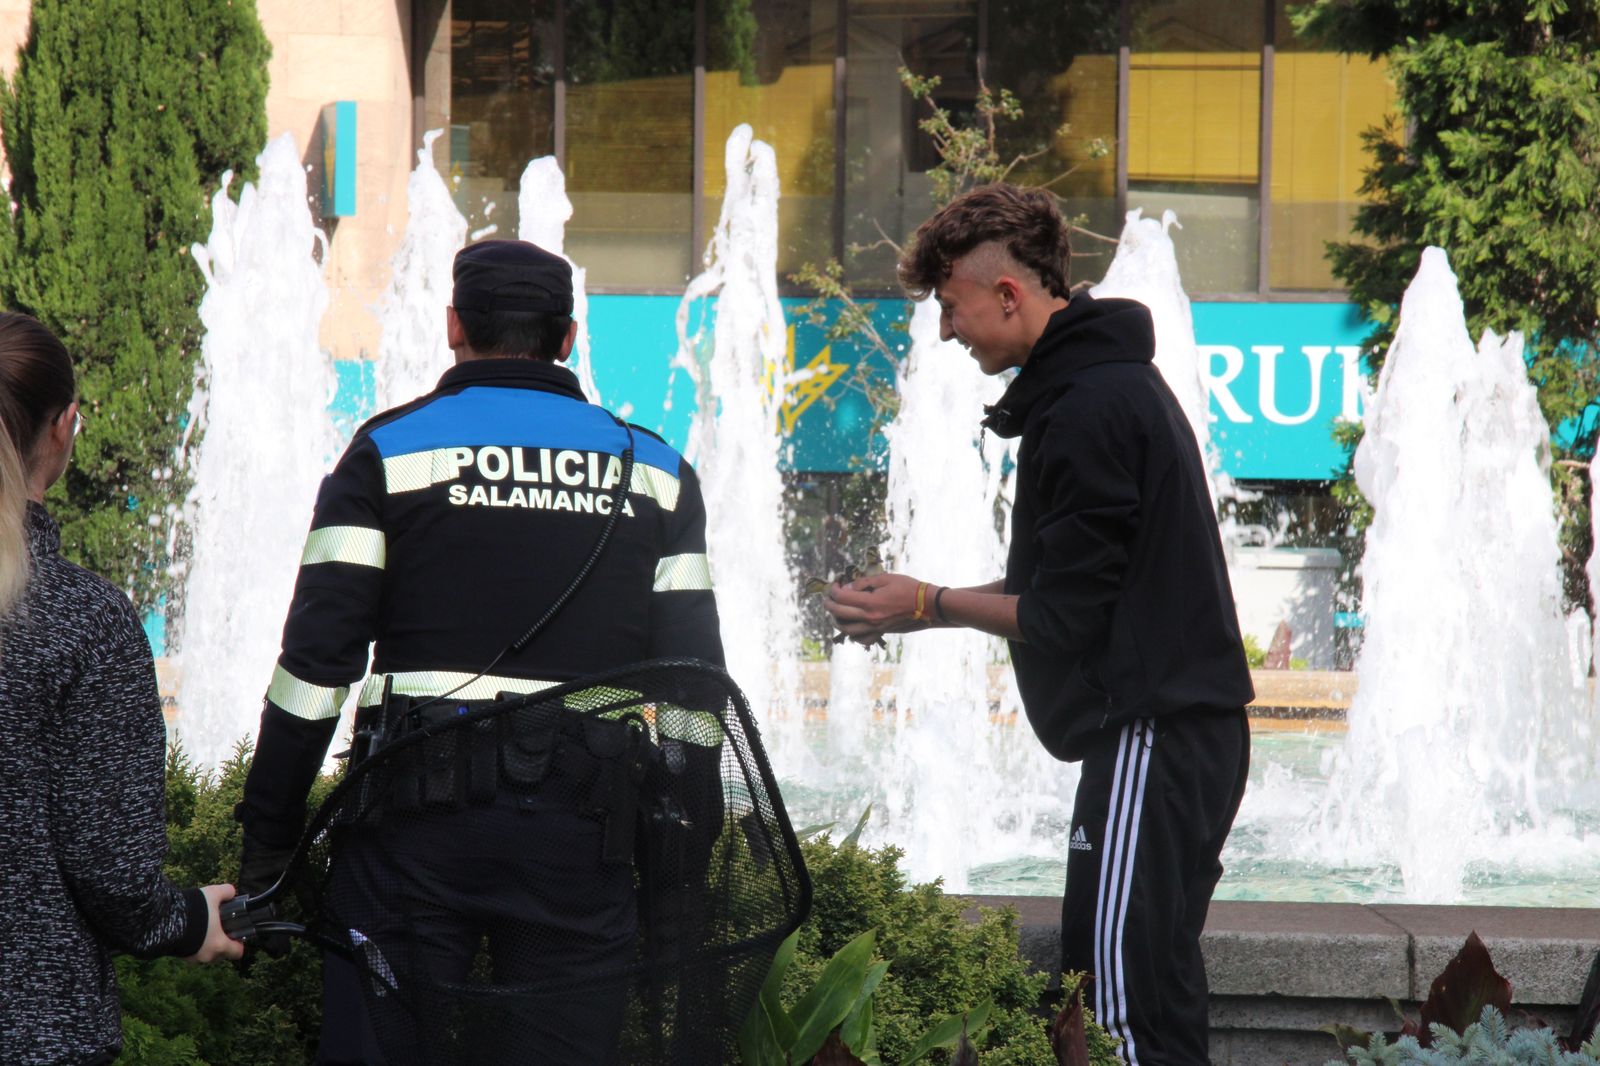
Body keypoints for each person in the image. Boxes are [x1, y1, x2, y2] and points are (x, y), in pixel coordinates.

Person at [234, 239, 725, 1063]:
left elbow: (314, 670)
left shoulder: (385, 453)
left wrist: (269, 841)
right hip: (581, 841)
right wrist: (679, 866)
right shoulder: (657, 471)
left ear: (454, 326)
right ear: (567, 338)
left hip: (411, 838)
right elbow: (694, 696)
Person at [825, 184, 1253, 1065]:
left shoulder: (1090, 407)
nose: (948, 331)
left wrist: (929, 601)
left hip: (1154, 737)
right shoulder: (1106, 388)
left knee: (1110, 1008)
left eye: (952, 307)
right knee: (1157, 991)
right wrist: (922, 610)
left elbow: (1060, 616)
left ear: (1008, 294)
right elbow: (1074, 589)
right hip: (1179, 737)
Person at [0, 313, 243, 1064]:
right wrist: (188, 921)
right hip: (36, 1027)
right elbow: (112, 870)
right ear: (63, 428)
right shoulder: (81, 619)